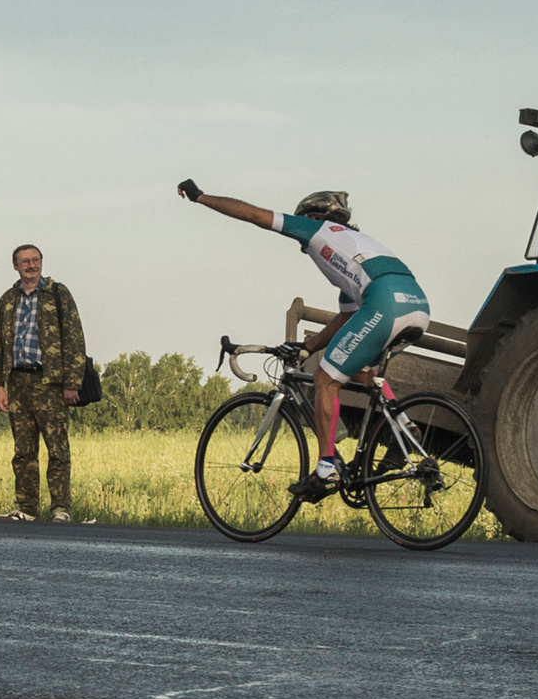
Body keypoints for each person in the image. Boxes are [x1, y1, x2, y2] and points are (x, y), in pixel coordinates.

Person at [176, 182, 429, 498]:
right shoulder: (358, 246)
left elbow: (255, 215)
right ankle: (405, 429)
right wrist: (308, 346)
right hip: (416, 305)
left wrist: (201, 198)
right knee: (360, 372)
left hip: (384, 302)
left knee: (325, 379)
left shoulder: (319, 229)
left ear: (314, 215)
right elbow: (347, 318)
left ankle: (324, 469)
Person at [0, 243, 87, 522]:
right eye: (25, 261)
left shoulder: (57, 293)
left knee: (58, 449)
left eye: (36, 260)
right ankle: (27, 508)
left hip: (51, 383)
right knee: (23, 451)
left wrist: (72, 383)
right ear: (15, 265)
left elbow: (75, 338)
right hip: (18, 381)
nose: (31, 265)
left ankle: (61, 509)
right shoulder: (8, 299)